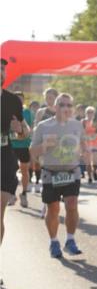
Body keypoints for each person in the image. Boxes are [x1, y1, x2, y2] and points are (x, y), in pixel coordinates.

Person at [30, 92, 86, 259]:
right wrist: (46, 145)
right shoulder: (43, 126)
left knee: (72, 204)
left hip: (72, 171)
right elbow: (32, 152)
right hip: (50, 172)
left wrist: (85, 154)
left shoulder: (77, 125)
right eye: (61, 104)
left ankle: (70, 240)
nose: (65, 108)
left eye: (69, 105)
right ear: (54, 107)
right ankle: (54, 241)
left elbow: (83, 145)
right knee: (53, 208)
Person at [1, 59, 27, 242]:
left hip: (4, 160)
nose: (0, 72)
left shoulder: (12, 100)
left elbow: (25, 132)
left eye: (2, 69)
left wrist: (20, 129)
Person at [11, 91, 33, 208]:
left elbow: (30, 129)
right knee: (11, 170)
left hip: (24, 146)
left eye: (21, 99)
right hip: (11, 146)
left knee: (24, 170)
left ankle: (24, 194)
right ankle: (11, 193)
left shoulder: (28, 113)